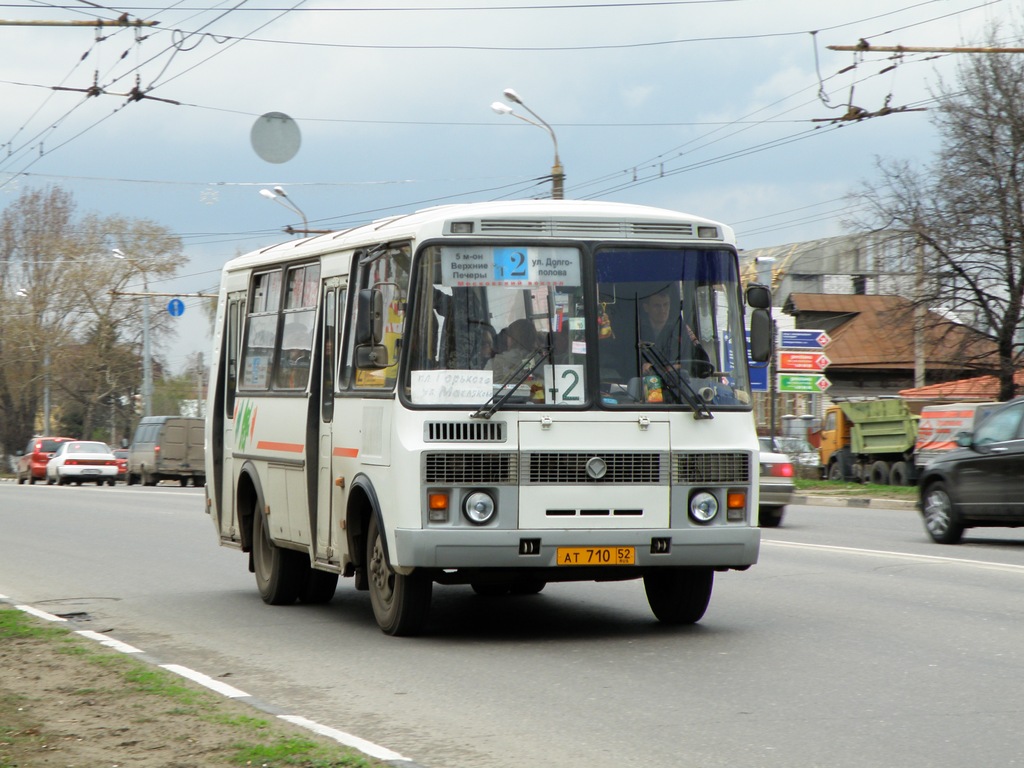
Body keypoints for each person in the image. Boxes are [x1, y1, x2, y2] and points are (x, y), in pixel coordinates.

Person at [639, 288, 711, 377]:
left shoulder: (680, 329)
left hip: (676, 386)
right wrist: (641, 366)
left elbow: (703, 364)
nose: (662, 310)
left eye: (666, 305)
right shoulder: (636, 330)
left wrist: (678, 366)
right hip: (642, 386)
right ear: (646, 308)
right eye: (657, 306)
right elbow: (624, 361)